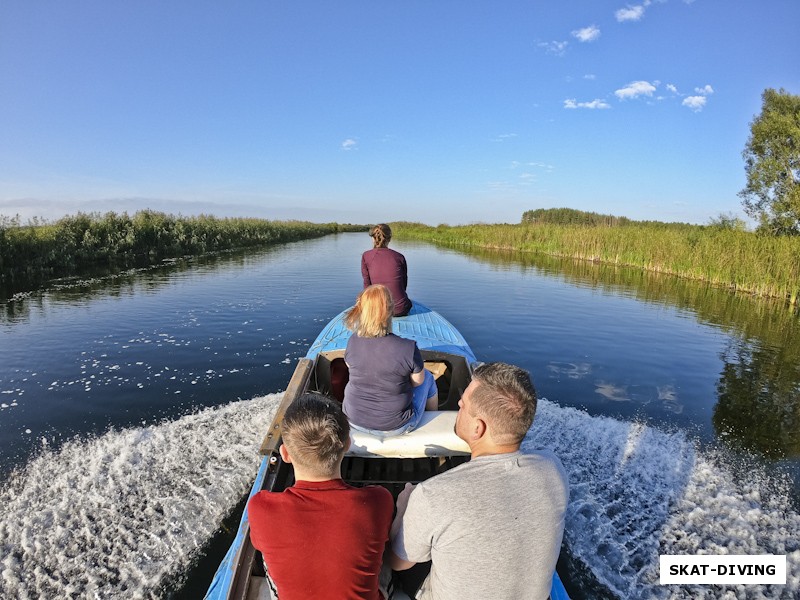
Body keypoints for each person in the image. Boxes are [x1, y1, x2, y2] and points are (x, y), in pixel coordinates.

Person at [387, 362, 570, 600]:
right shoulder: (553, 468)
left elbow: (396, 561)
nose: (458, 405)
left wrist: (402, 508)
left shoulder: (432, 494)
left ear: (478, 428)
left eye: (462, 405)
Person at [247, 392, 394, 600]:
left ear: (285, 454)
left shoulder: (260, 508)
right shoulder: (379, 500)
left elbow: (259, 544)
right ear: (347, 445)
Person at [343, 284, 438, 435]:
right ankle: (434, 423)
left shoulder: (352, 341)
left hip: (353, 420)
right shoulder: (408, 347)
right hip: (396, 426)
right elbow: (417, 382)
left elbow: (349, 366)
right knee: (428, 377)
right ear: (390, 311)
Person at [361, 223, 412, 317]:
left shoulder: (366, 256)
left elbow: (367, 286)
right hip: (400, 309)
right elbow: (403, 285)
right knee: (408, 303)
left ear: (373, 239)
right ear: (389, 239)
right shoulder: (400, 257)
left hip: (377, 311)